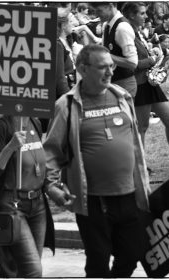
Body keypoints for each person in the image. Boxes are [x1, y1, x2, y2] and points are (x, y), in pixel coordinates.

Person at [44, 44, 151, 277]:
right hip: (93, 201)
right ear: (83, 68)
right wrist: (51, 186)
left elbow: (134, 143)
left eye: (111, 66)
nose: (110, 72)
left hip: (130, 195)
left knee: (132, 255)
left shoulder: (122, 97)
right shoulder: (66, 105)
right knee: (98, 260)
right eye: (102, 67)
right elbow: (51, 151)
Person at [123, 2, 169, 170]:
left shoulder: (137, 33)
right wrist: (151, 60)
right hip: (141, 85)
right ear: (131, 16)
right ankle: (141, 167)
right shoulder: (127, 34)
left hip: (150, 84)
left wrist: (155, 54)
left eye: (144, 13)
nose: (145, 16)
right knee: (142, 127)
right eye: (141, 13)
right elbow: (131, 64)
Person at [0, 115, 55, 277]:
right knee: (33, 271)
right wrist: (10, 147)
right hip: (12, 206)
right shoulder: (1, 126)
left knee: (22, 270)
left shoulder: (34, 122)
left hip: (38, 205)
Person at [91, 2, 138, 97]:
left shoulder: (122, 28)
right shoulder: (107, 25)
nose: (97, 14)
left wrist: (105, 56)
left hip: (124, 84)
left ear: (110, 6)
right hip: (113, 82)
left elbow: (133, 63)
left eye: (99, 11)